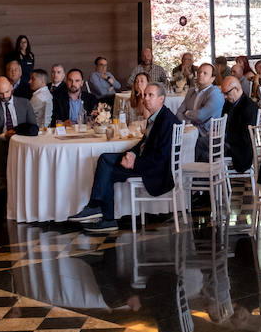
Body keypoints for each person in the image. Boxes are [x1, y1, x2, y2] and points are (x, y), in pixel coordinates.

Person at [68, 83, 180, 230]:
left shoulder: (167, 121)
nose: (145, 98)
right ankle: (99, 211)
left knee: (106, 169)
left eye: (150, 95)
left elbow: (161, 158)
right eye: (145, 95)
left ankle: (102, 213)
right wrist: (132, 153)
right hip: (144, 160)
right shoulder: (157, 116)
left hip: (154, 170)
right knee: (104, 160)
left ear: (161, 99)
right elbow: (144, 142)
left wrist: (135, 163)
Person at [0, 76, 38, 200]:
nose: (4, 96)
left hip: (22, 139)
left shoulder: (25, 103)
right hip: (1, 141)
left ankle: (32, 182)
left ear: (12, 87)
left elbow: (33, 126)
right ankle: (2, 182)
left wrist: (17, 132)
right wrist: (5, 135)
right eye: (0, 93)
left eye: (7, 92)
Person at [179, 63, 224, 160]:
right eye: (199, 72)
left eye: (205, 73)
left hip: (206, 136)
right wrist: (188, 123)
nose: (200, 75)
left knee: (182, 143)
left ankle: (188, 168)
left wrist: (187, 113)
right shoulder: (191, 91)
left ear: (212, 79)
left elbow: (200, 116)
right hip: (189, 132)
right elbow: (179, 113)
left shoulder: (215, 93)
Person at [220, 75, 260, 174]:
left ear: (236, 89)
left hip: (240, 149)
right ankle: (211, 179)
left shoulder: (249, 106)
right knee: (202, 144)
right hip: (228, 143)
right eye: (223, 93)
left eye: (227, 93)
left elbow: (246, 136)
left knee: (203, 149)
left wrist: (224, 137)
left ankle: (211, 179)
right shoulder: (228, 103)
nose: (224, 97)